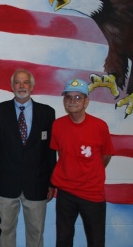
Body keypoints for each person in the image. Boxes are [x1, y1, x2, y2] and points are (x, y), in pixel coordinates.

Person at [0, 69, 56, 247]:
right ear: (11, 86)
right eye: (17, 82)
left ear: (32, 85)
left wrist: (52, 182)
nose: (21, 86)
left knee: (36, 232)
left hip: (37, 184)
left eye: (25, 82)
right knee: (4, 232)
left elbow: (50, 151)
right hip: (5, 182)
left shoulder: (47, 113)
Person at [50, 78, 114, 247]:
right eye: (68, 97)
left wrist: (90, 173)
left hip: (92, 193)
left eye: (78, 97)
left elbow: (106, 155)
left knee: (96, 241)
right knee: (63, 240)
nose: (73, 101)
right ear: (64, 101)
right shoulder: (57, 125)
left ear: (86, 101)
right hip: (65, 192)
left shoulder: (100, 126)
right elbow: (58, 153)